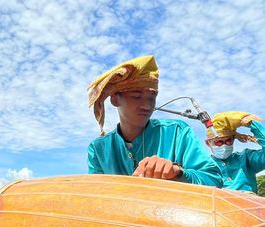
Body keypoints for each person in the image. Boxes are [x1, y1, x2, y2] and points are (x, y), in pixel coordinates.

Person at [86, 55, 222, 187]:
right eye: (136, 96)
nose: (147, 105)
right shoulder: (98, 149)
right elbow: (97, 193)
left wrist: (177, 173)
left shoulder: (177, 133)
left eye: (152, 97)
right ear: (115, 99)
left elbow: (213, 179)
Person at [205, 111, 265, 193]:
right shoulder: (203, 165)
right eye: (219, 142)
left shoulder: (246, 158)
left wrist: (250, 123)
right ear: (208, 143)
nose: (225, 146)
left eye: (229, 141)